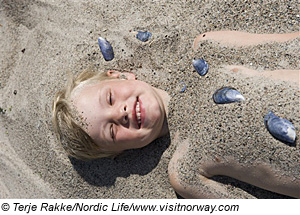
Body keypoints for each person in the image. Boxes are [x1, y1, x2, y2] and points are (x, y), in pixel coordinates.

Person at [52, 69, 299, 198]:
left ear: (119, 75)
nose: (121, 113)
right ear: (121, 151)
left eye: (110, 98)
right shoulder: (184, 171)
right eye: (113, 131)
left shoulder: (209, 45)